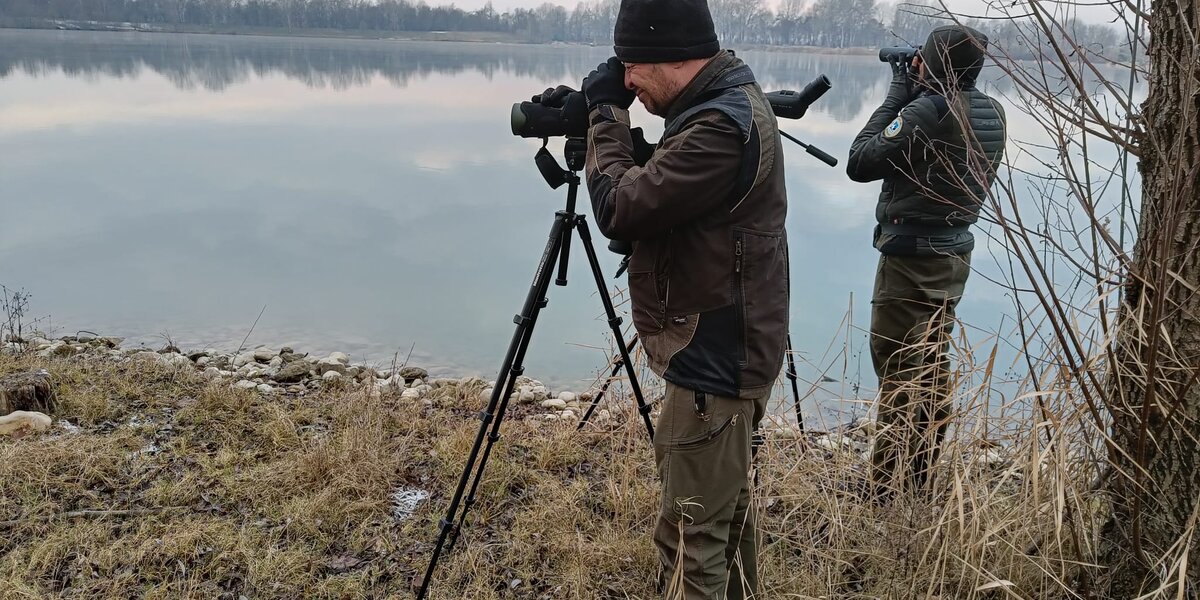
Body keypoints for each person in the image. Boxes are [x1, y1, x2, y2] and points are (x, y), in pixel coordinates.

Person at [576, 0, 789, 596]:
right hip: (731, 350)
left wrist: (604, 119)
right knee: (725, 520)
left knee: (689, 539)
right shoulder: (721, 107)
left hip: (713, 364)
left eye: (632, 68)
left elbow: (621, 209)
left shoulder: (720, 125)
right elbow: (681, 196)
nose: (628, 82)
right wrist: (626, 145)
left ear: (670, 57)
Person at [846, 24, 1007, 500]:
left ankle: (884, 488)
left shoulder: (929, 111)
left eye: (923, 58)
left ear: (934, 62)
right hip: (954, 254)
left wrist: (897, 96)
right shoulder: (992, 110)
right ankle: (918, 477)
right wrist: (922, 90)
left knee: (898, 367)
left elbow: (860, 161)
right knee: (932, 364)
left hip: (911, 258)